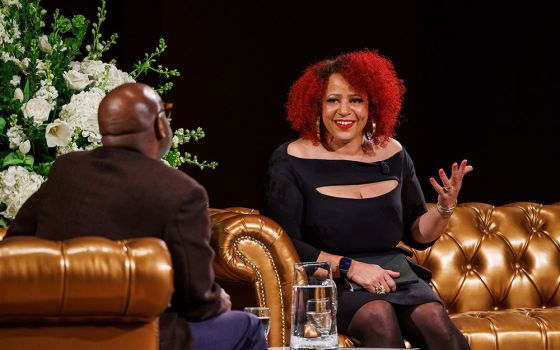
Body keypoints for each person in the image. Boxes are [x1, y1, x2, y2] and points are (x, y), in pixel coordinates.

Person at [6, 83, 268, 350]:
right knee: (247, 326)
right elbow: (198, 304)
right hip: (143, 339)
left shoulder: (65, 170)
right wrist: (217, 300)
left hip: (55, 338)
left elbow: (14, 244)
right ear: (160, 126)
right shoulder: (182, 192)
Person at [261, 50, 472, 350]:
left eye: (355, 100)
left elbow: (418, 234)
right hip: (328, 283)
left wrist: (444, 208)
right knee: (378, 315)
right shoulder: (291, 160)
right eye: (333, 100)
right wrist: (350, 266)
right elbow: (286, 243)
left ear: (372, 106)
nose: (344, 110)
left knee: (434, 320)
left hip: (393, 275)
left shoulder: (394, 154)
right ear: (316, 106)